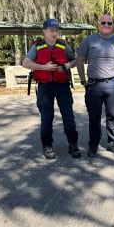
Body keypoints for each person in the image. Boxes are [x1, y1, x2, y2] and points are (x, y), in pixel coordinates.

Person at [22, 18, 80, 160]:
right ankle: (47, 145)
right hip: (45, 86)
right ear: (45, 31)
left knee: (68, 117)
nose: (54, 33)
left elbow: (74, 60)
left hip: (62, 86)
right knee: (47, 118)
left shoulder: (63, 45)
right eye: (51, 31)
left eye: (56, 31)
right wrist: (44, 67)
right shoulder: (37, 46)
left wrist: (66, 66)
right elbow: (25, 63)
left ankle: (73, 144)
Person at [76, 14, 114, 157]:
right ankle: (93, 145)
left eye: (109, 23)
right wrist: (83, 81)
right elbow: (79, 59)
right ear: (99, 24)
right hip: (93, 85)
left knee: (113, 116)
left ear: (113, 25)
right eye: (103, 22)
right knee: (94, 118)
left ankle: (113, 144)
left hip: (112, 84)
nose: (106, 25)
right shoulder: (89, 40)